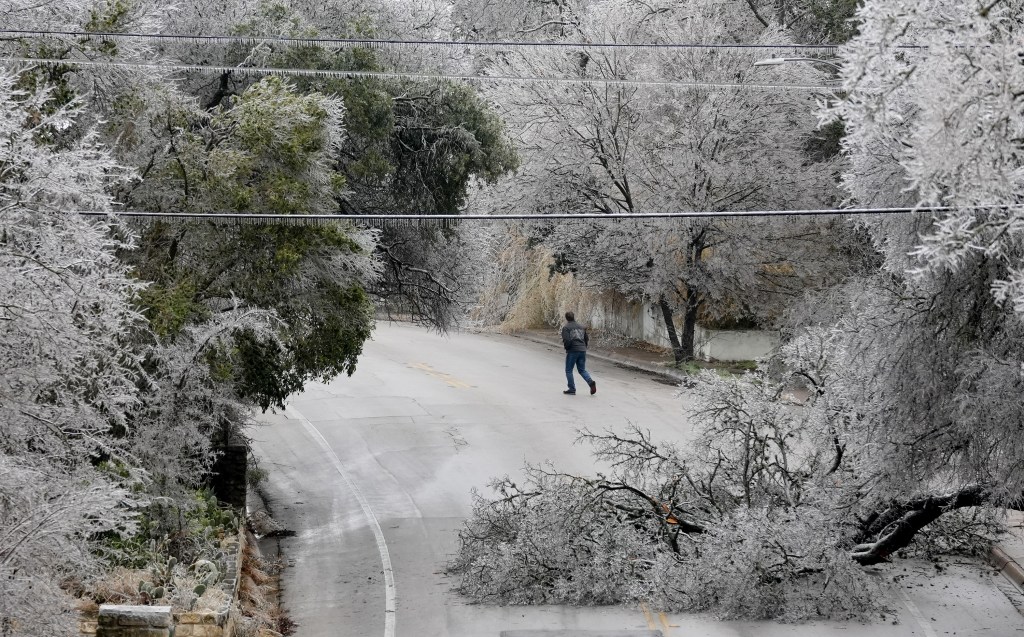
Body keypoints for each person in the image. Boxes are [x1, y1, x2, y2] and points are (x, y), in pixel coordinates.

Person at [561, 311, 596, 395]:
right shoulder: (582, 327)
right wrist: (584, 347)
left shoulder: (566, 328)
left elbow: (567, 340)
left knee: (569, 370)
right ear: (574, 317)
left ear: (566, 318)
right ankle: (590, 382)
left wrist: (568, 348)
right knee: (582, 370)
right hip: (582, 350)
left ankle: (572, 389)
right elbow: (586, 339)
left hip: (573, 351)